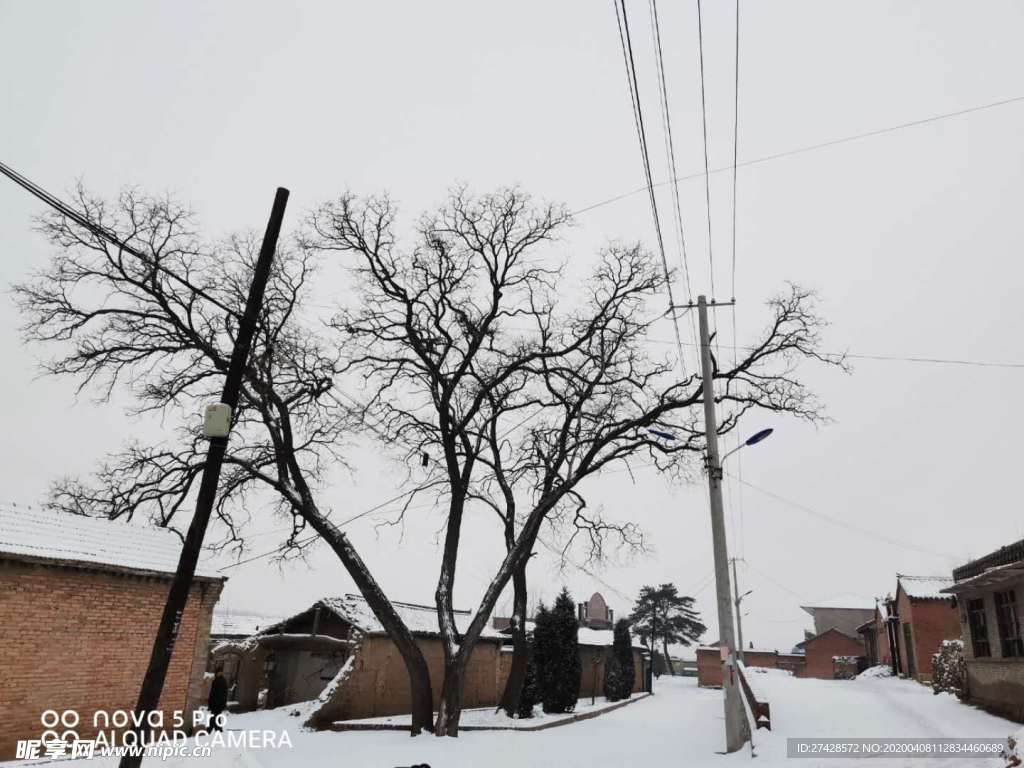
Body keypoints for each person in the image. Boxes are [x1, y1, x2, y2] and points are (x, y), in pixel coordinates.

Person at [208, 667, 229, 733]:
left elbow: (218, 694)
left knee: (215, 718)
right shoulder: (219, 680)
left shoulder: (220, 681)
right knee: (214, 717)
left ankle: (218, 731)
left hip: (217, 704)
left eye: (218, 672)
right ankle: (210, 730)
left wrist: (214, 704)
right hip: (217, 704)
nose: (217, 674)